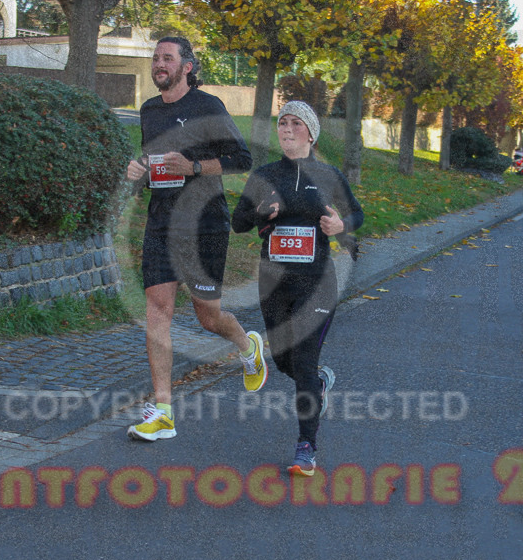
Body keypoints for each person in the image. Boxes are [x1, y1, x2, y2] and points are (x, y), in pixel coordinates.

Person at [124, 36, 267, 442]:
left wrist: (194, 166)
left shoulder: (209, 107)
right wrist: (140, 170)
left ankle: (246, 344)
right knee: (158, 307)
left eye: (167, 58)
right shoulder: (149, 110)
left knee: (208, 316)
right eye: (155, 58)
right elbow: (152, 162)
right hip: (162, 221)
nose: (159, 64)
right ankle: (163, 410)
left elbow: (242, 158)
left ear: (187, 66)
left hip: (204, 224)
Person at [232, 101, 364, 477]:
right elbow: (238, 222)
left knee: (303, 363)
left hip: (317, 284)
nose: (286, 128)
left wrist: (341, 227)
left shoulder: (328, 175)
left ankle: (307, 447)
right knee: (282, 361)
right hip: (274, 284)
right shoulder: (265, 175)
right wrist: (261, 213)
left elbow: (357, 214)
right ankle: (319, 383)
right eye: (282, 122)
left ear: (310, 133)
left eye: (294, 123)